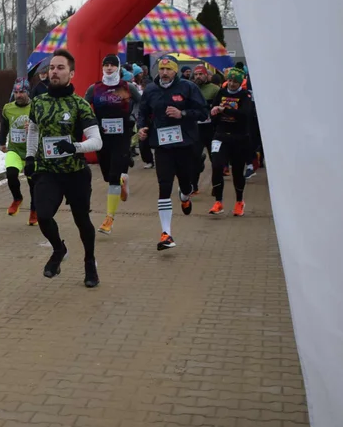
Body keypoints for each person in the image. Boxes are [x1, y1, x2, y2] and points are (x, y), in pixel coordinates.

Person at [25, 49, 103, 287]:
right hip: (48, 171)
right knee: (44, 215)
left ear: (72, 73)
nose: (54, 72)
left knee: (82, 221)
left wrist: (74, 147)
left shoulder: (79, 105)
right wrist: (29, 158)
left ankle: (90, 262)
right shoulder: (38, 102)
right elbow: (34, 131)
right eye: (52, 68)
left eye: (60, 68)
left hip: (75, 173)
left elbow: (96, 141)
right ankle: (59, 250)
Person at [138, 55, 208, 250]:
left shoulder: (188, 87)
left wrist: (182, 114)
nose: (165, 73)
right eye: (162, 69)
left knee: (186, 183)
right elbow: (143, 113)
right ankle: (166, 233)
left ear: (175, 70)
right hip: (162, 146)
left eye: (169, 69)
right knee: (164, 185)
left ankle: (185, 196)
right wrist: (142, 128)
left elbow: (203, 112)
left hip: (185, 144)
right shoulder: (151, 89)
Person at [84, 54, 140, 235]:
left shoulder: (127, 87)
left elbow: (142, 104)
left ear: (118, 68)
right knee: (109, 177)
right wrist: (91, 123)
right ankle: (123, 179)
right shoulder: (95, 89)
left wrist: (134, 118)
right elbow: (84, 109)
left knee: (114, 176)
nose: (109, 68)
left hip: (123, 135)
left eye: (112, 65)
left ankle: (109, 219)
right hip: (102, 136)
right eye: (106, 65)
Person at [208, 67, 255, 217]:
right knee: (216, 165)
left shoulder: (245, 95)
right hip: (220, 136)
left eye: (235, 81)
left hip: (239, 138)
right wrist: (214, 111)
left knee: (237, 171)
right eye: (230, 80)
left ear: (240, 82)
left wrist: (224, 110)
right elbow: (214, 109)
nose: (232, 84)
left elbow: (244, 114)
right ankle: (218, 201)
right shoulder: (221, 93)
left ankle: (239, 201)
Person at [0, 79, 37, 225]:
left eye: (21, 92)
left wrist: (34, 128)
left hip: (31, 151)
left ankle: (34, 211)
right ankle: (17, 198)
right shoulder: (8, 108)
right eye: (16, 92)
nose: (18, 95)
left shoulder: (35, 107)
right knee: (11, 173)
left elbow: (45, 127)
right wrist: (2, 142)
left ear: (28, 92)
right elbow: (4, 126)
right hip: (14, 149)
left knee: (33, 183)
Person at [190, 65, 221, 195]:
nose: (198, 77)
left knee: (216, 159)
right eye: (196, 74)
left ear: (206, 75)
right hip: (195, 129)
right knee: (193, 158)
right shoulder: (190, 88)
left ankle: (217, 186)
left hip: (211, 129)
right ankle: (193, 185)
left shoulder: (215, 89)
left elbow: (220, 106)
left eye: (200, 74)